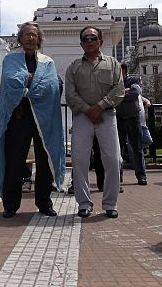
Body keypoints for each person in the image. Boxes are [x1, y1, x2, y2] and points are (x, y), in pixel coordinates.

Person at [0, 21, 65, 218]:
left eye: (34, 34)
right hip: (18, 117)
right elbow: (11, 82)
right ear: (20, 38)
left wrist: (28, 82)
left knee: (44, 160)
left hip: (43, 118)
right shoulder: (10, 59)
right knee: (15, 161)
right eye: (26, 34)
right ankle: (10, 204)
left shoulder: (48, 62)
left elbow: (52, 86)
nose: (31, 37)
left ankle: (44, 202)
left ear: (39, 38)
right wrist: (33, 82)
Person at [65, 26, 125, 219]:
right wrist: (88, 110)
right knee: (79, 160)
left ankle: (110, 203)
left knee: (113, 160)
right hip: (83, 116)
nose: (89, 41)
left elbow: (119, 91)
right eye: (85, 38)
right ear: (81, 43)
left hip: (106, 115)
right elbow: (70, 94)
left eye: (93, 37)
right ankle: (83, 203)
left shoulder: (113, 64)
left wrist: (99, 107)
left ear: (101, 41)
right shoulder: (73, 66)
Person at [117, 75, 147, 185]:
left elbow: (135, 93)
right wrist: (124, 92)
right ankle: (118, 177)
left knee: (137, 148)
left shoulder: (133, 81)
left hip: (133, 118)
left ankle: (141, 176)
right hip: (119, 118)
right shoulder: (113, 82)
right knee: (118, 149)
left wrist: (119, 96)